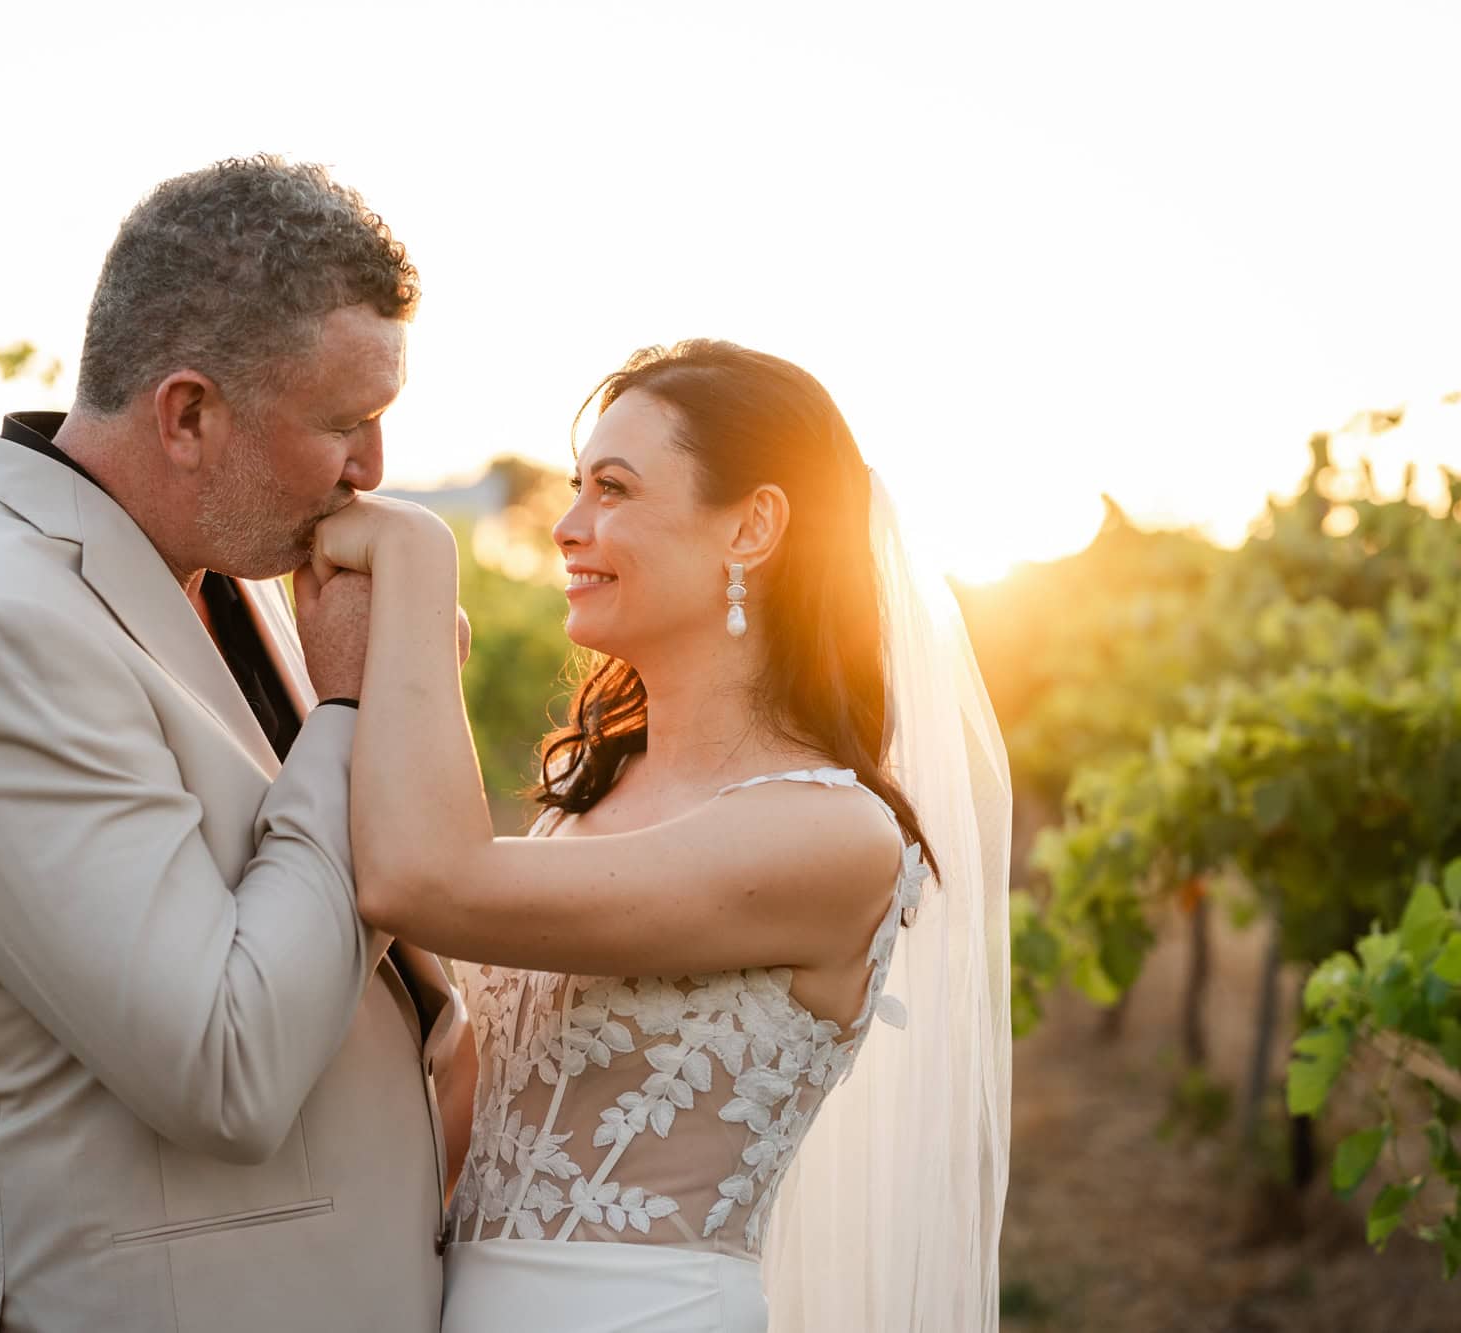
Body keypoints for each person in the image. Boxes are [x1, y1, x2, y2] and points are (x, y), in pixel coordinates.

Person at [0, 156, 464, 1333]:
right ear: (187, 414)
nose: (371, 469)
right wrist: (352, 716)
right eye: (345, 422)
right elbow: (226, 1066)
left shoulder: (235, 575)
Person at [310, 340, 1013, 1331]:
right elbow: (468, 1105)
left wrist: (415, 566)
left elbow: (422, 880)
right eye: (574, 486)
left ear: (754, 526)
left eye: (612, 489)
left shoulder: (831, 835)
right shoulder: (581, 806)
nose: (565, 526)